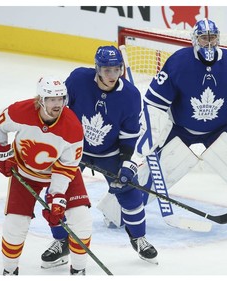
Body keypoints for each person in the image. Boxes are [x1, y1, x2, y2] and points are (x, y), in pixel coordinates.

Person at [136, 18, 227, 205]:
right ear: (194, 39)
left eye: (212, 37)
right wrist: (151, 131)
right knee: (151, 172)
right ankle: (125, 207)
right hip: (180, 129)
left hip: (222, 128)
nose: (209, 42)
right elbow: (154, 102)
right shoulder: (178, 62)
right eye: (204, 38)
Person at [40, 46, 158, 267]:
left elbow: (129, 137)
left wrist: (126, 164)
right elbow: (61, 112)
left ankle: (138, 237)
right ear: (97, 69)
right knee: (56, 191)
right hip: (75, 149)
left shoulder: (131, 96)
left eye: (116, 70)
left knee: (129, 192)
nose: (112, 76)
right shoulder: (77, 79)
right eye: (106, 70)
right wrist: (58, 146)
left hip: (110, 153)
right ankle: (60, 242)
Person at [0, 76, 92, 275]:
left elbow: (67, 167)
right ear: (40, 100)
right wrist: (1, 153)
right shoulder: (21, 111)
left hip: (61, 172)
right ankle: (9, 271)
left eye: (61, 98)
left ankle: (79, 271)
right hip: (25, 172)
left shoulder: (73, 127)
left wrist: (57, 196)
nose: (57, 104)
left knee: (81, 219)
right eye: (52, 99)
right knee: (15, 224)